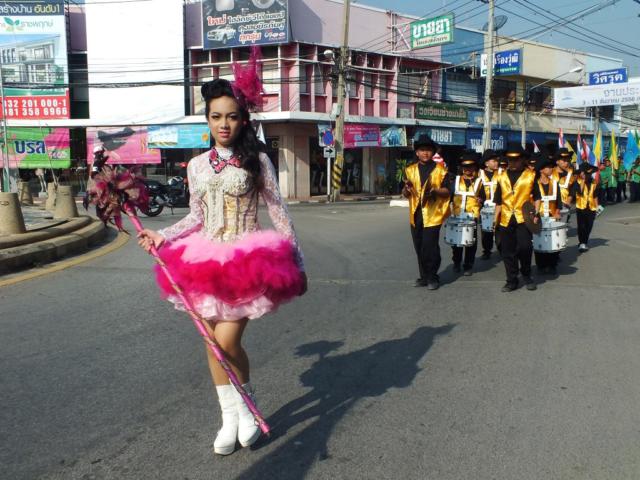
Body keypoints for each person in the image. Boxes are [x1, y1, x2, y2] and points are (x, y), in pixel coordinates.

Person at [137, 74, 307, 456]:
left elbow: (279, 213)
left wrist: (297, 262)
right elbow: (196, 217)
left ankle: (247, 408)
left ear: (243, 119)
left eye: (231, 116)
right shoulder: (196, 165)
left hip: (247, 260)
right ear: (208, 120)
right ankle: (229, 417)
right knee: (210, 341)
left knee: (225, 341)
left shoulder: (257, 160)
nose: (224, 124)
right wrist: (163, 235)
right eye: (216, 117)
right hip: (204, 260)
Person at [403, 135, 450, 290]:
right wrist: (406, 189)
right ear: (417, 152)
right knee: (419, 246)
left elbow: (447, 191)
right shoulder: (409, 170)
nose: (425, 153)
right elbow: (405, 193)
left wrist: (435, 191)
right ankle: (424, 276)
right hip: (415, 214)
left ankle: (433, 277)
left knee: (430, 246)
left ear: (433, 152)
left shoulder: (441, 170)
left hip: (433, 214)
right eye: (422, 150)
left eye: (428, 150)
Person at [493, 144, 537, 292]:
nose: (512, 162)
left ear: (523, 159)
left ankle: (526, 274)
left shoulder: (531, 176)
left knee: (525, 247)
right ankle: (511, 280)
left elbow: (537, 197)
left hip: (523, 217)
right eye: (510, 159)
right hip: (506, 218)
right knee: (507, 250)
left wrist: (536, 214)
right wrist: (495, 218)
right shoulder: (501, 176)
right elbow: (498, 200)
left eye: (516, 159)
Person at [450, 151, 484, 276]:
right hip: (457, 215)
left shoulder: (479, 182)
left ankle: (468, 265)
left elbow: (483, 197)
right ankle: (456, 262)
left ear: (475, 167)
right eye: (465, 166)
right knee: (457, 242)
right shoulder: (455, 181)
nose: (467, 169)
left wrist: (481, 200)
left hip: (472, 216)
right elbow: (449, 197)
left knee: (470, 242)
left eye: (470, 166)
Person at [533, 154, 562, 275]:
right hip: (538, 217)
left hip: (552, 216)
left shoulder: (554, 183)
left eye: (551, 167)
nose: (551, 169)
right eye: (548, 167)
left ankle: (552, 265)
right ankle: (541, 265)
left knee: (553, 241)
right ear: (541, 170)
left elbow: (559, 201)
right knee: (539, 241)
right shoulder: (534, 184)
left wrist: (557, 212)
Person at [569, 162, 600, 252]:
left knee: (589, 226)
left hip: (591, 207)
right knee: (581, 226)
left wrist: (597, 207)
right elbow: (580, 192)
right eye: (585, 173)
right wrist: (582, 181)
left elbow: (595, 196)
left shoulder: (594, 183)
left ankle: (584, 241)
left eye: (589, 173)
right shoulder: (577, 182)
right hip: (581, 207)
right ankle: (582, 242)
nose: (587, 175)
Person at [479, 149, 500, 259]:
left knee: (500, 230)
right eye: (493, 161)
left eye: (497, 160)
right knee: (486, 231)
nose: (496, 163)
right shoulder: (480, 174)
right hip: (485, 206)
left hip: (499, 205)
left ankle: (501, 248)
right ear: (486, 163)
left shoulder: (501, 173)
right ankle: (487, 251)